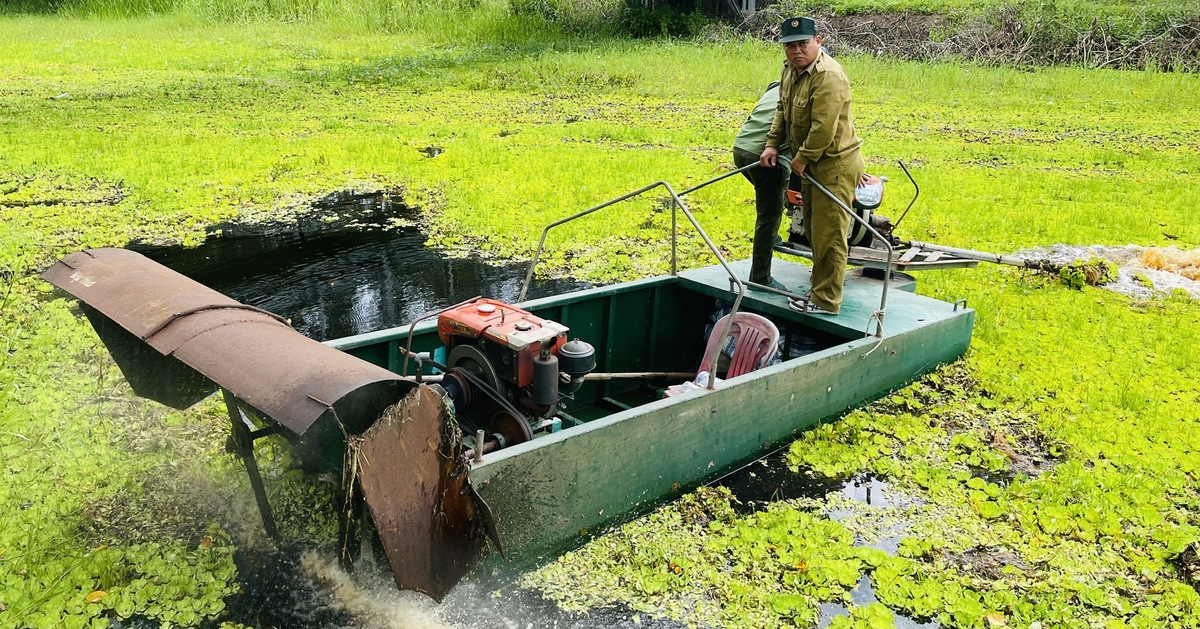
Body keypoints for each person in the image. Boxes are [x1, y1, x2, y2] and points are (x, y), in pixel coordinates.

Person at [759, 16, 864, 316]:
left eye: (803, 44)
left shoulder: (828, 75)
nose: (796, 51)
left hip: (834, 165)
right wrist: (772, 143)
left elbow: (823, 128)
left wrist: (801, 159)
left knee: (829, 235)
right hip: (810, 164)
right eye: (790, 45)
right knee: (813, 230)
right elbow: (782, 108)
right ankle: (820, 288)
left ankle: (826, 301)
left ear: (818, 41)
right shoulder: (790, 70)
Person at [732, 82, 791, 291]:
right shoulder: (808, 90)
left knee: (771, 198)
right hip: (765, 157)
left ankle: (771, 237)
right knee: (769, 215)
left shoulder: (777, 85)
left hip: (741, 149)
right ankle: (760, 278)